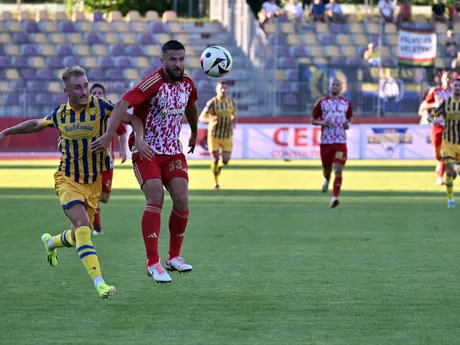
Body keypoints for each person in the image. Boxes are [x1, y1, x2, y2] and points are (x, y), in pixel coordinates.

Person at [0, 66, 132, 298]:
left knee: (77, 235)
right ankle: (100, 283)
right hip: (67, 179)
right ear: (67, 92)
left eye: (86, 85)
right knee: (82, 227)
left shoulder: (101, 106)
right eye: (78, 87)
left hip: (93, 183)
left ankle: (51, 242)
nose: (84, 91)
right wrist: (6, 132)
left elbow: (131, 117)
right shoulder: (60, 114)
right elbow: (35, 124)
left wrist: (137, 138)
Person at [91, 40, 198, 284]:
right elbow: (121, 104)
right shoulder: (153, 83)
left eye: (181, 59)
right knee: (155, 196)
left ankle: (174, 257)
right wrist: (109, 135)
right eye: (172, 59)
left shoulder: (188, 84)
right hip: (146, 149)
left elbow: (191, 105)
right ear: (163, 61)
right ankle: (153, 263)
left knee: (182, 198)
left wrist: (194, 130)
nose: (178, 64)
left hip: (172, 151)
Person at [89, 83, 128, 235]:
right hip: (89, 161)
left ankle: (94, 220)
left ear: (104, 96)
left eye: (100, 92)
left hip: (107, 161)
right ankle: (96, 228)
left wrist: (124, 151)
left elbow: (123, 133)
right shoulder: (85, 113)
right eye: (95, 92)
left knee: (104, 197)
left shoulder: (109, 114)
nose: (97, 94)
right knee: (93, 194)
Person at [311, 78, 353, 208]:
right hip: (326, 142)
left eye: (337, 85)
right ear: (330, 87)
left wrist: (348, 124)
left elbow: (350, 117)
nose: (335, 86)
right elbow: (313, 120)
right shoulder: (322, 103)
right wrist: (322, 123)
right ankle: (327, 179)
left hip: (340, 141)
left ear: (341, 88)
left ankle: (335, 197)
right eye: (333, 84)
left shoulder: (346, 103)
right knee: (327, 169)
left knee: (338, 169)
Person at [199, 81, 237, 190]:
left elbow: (234, 115)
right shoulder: (212, 103)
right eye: (221, 88)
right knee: (215, 159)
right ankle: (216, 183)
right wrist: (211, 119)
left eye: (225, 88)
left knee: (225, 160)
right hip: (214, 135)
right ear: (217, 90)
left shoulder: (231, 102)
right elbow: (201, 118)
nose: (223, 90)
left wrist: (234, 121)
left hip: (227, 135)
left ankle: (219, 167)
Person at [429, 78, 460, 208]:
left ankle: (456, 172)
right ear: (452, 88)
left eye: (459, 86)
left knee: (454, 173)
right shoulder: (446, 103)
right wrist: (433, 121)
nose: (457, 88)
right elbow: (431, 115)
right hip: (448, 142)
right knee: (448, 172)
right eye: (455, 85)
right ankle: (450, 199)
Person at [419, 71, 452, 186]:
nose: (448, 80)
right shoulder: (435, 91)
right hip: (437, 125)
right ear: (442, 80)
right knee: (437, 154)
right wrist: (436, 105)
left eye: (449, 78)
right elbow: (424, 106)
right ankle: (440, 164)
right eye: (446, 78)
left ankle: (440, 177)